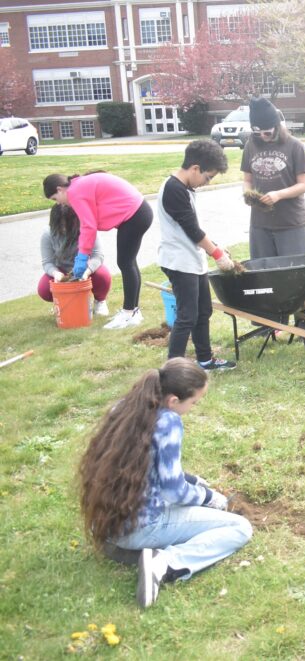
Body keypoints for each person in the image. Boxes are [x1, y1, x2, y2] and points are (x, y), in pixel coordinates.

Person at [78, 358, 252, 608]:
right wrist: (209, 498)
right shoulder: (168, 421)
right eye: (194, 402)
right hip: (140, 527)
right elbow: (173, 491)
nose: (193, 407)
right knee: (239, 528)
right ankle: (165, 562)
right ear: (173, 400)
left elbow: (147, 466)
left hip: (108, 526)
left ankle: (132, 551)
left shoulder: (127, 408)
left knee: (186, 508)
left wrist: (194, 480)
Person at [158, 139, 237, 371]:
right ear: (195, 169)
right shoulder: (173, 190)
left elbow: (195, 228)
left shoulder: (185, 188)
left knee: (204, 311)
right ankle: (173, 368)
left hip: (192, 260)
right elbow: (192, 231)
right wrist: (217, 253)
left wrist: (215, 246)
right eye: (208, 177)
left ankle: (205, 359)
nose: (207, 182)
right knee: (187, 316)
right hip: (179, 262)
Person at [43, 171, 153, 330]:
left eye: (55, 199)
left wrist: (82, 258)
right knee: (128, 262)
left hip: (135, 214)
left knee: (125, 263)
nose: (59, 203)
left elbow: (88, 226)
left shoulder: (75, 193)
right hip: (139, 212)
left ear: (60, 189)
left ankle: (129, 313)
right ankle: (133, 312)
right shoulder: (78, 186)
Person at [241, 97, 305, 260]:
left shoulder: (295, 146)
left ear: (277, 126)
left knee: (295, 273)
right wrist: (248, 193)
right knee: (265, 278)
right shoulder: (250, 145)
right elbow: (247, 180)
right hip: (260, 224)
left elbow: (303, 185)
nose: (263, 136)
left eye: (267, 132)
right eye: (258, 133)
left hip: (291, 223)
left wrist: (278, 195)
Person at [38, 203, 112, 317]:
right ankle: (64, 303)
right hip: (62, 270)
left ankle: (100, 301)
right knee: (44, 289)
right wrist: (56, 274)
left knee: (103, 276)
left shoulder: (87, 229)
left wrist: (87, 272)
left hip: (86, 267)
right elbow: (47, 262)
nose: (64, 228)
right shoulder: (48, 234)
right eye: (60, 225)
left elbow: (97, 256)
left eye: (67, 224)